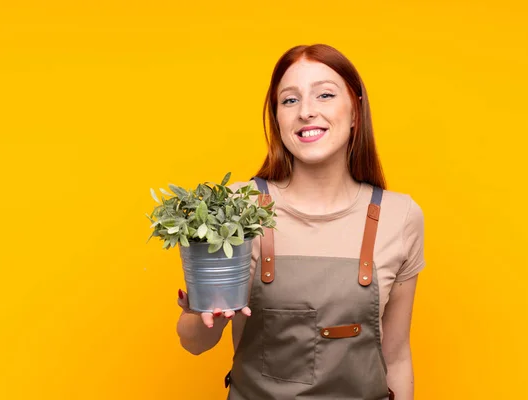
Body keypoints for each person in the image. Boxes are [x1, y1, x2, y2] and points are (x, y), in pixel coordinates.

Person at [176, 43, 426, 400]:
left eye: (324, 95)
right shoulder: (237, 205)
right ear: (277, 118)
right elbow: (194, 343)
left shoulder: (399, 217)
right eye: (290, 100)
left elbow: (397, 355)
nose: (306, 111)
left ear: (355, 111)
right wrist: (206, 313)